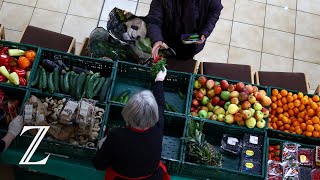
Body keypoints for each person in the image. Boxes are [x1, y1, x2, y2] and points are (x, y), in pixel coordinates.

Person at [93, 68, 169, 180]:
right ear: (154, 115)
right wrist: (159, 80)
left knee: (101, 143)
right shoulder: (157, 128)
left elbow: (99, 164)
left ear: (128, 112)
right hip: (152, 178)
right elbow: (160, 104)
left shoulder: (117, 135)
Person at [147, 0, 223, 72]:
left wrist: (205, 32)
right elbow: (154, 20)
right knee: (167, 64)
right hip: (168, 40)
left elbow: (215, 10)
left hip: (191, 43)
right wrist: (156, 39)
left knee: (185, 64)